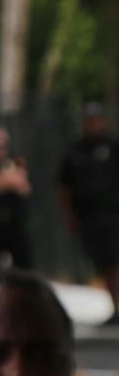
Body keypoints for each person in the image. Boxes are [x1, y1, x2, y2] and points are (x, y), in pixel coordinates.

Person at [59, 103, 119, 326]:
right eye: (88, 120)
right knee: (105, 264)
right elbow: (64, 188)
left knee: (115, 263)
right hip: (90, 217)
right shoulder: (75, 151)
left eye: (96, 119)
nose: (92, 124)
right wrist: (70, 217)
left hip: (114, 215)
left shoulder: (113, 147)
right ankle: (116, 308)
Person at [0, 124, 34, 270]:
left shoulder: (16, 162)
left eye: (2, 145)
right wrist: (6, 181)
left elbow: (22, 185)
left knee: (24, 268)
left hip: (14, 223)